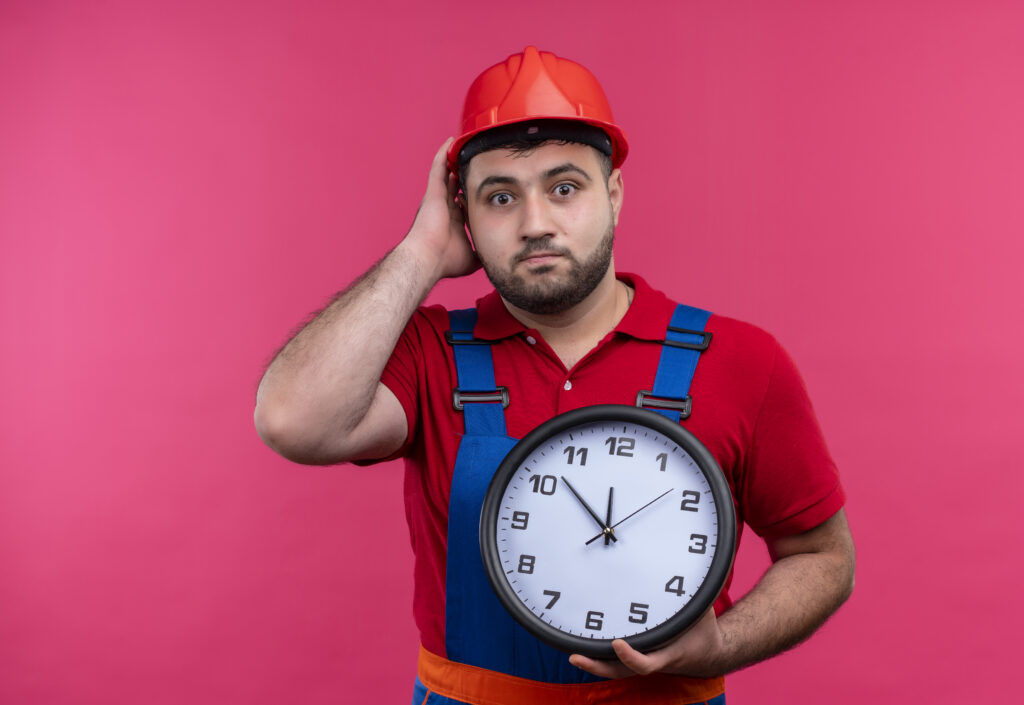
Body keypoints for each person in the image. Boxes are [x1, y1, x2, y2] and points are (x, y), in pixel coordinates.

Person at [254, 46, 855, 705]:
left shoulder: (740, 359)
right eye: (500, 197)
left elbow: (823, 557)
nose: (535, 223)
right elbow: (292, 419)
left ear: (615, 194)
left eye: (563, 187)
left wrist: (723, 643)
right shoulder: (430, 353)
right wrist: (420, 250)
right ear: (465, 218)